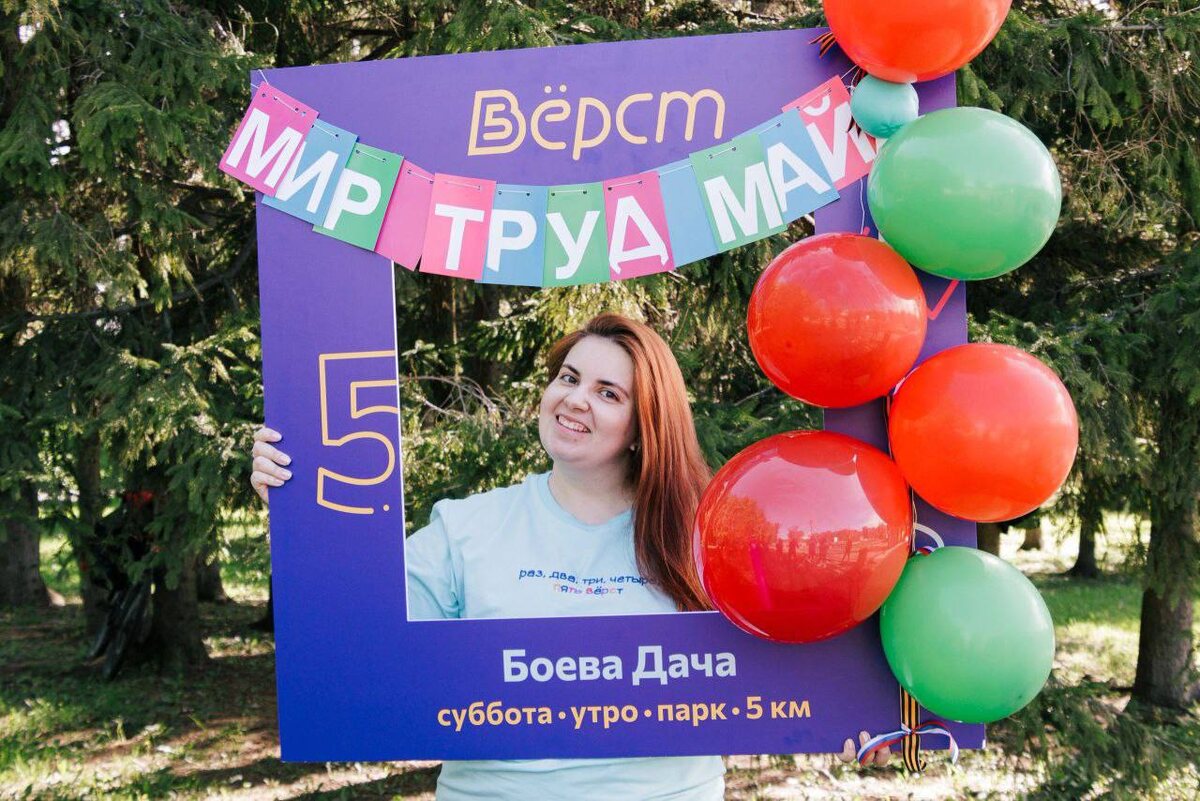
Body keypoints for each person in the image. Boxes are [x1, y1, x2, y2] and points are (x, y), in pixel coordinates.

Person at [251, 313, 888, 798]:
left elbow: (804, 645)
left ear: (644, 425)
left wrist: (858, 706)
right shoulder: (466, 528)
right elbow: (357, 635)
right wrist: (301, 517)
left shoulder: (708, 537)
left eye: (609, 393)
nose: (576, 398)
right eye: (569, 377)